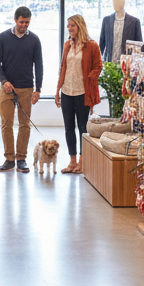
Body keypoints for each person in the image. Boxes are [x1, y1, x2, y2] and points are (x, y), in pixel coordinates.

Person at [0, 6, 43, 172]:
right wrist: (4, 81)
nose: (24, 25)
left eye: (27, 22)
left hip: (27, 88)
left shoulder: (34, 40)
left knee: (24, 124)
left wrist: (38, 89)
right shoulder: (2, 37)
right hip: (7, 88)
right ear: (15, 19)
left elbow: (39, 65)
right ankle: (9, 158)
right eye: (21, 22)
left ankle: (21, 158)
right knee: (6, 123)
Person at [55, 15, 103, 174]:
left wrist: (89, 77)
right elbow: (63, 68)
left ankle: (82, 162)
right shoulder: (67, 45)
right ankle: (72, 161)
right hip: (67, 91)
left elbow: (98, 66)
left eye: (72, 26)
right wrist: (58, 90)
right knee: (68, 127)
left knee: (83, 127)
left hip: (83, 92)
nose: (69, 28)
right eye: (68, 26)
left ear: (80, 26)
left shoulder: (91, 45)